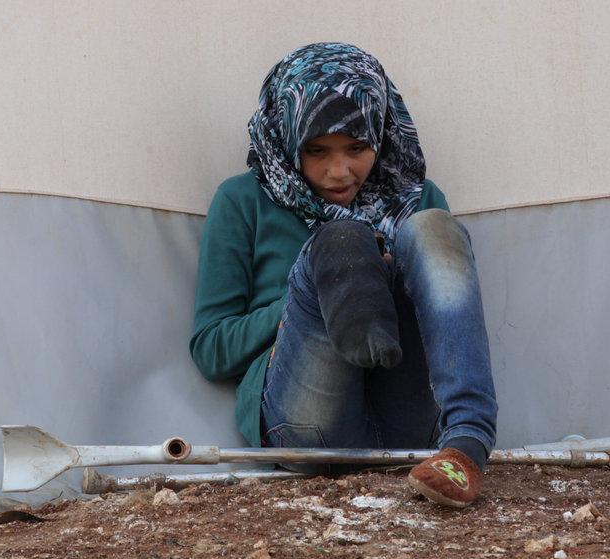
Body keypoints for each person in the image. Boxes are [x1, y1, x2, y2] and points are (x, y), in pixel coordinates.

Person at [190, 42, 498, 508]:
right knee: (339, 245)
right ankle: (340, 276)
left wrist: (389, 283)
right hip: (308, 424)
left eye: (357, 148)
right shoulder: (241, 201)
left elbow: (448, 324)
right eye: (317, 151)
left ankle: (468, 443)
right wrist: (310, 299)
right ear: (288, 139)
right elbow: (212, 349)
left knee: (435, 228)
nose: (338, 171)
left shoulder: (418, 196)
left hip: (412, 428)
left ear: (381, 132)